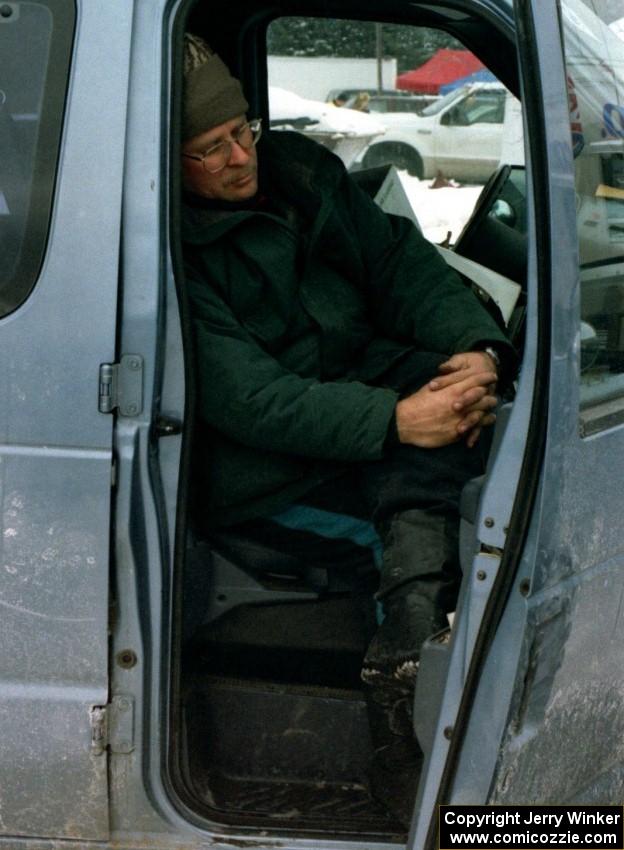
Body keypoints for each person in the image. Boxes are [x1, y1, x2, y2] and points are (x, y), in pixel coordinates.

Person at [180, 34, 516, 825]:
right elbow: (252, 401)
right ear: (173, 159)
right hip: (266, 470)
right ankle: (400, 716)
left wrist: (474, 351)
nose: (237, 159)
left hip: (359, 395)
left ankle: (418, 678)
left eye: (241, 134)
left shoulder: (298, 177)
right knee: (433, 526)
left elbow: (398, 262)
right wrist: (399, 421)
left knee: (471, 450)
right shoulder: (172, 251)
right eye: (207, 150)